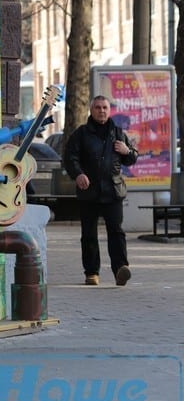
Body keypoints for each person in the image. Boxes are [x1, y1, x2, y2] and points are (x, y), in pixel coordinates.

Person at [64, 95, 138, 286]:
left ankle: (121, 268)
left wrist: (127, 151)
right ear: (91, 110)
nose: (101, 111)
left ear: (109, 109)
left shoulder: (118, 133)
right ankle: (91, 272)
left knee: (116, 232)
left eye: (104, 107)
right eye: (97, 107)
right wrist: (78, 174)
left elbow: (132, 158)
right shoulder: (81, 134)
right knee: (89, 234)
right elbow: (70, 157)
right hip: (89, 192)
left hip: (113, 191)